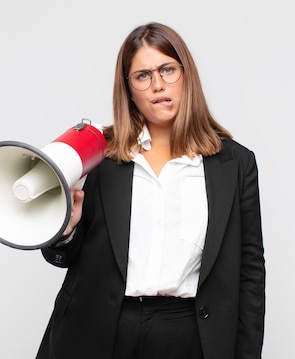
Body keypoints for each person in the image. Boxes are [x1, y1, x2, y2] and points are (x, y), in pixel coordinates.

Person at [36, 22, 265, 359]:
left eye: (167, 70)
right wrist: (64, 230)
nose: (158, 85)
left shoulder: (235, 163)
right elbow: (64, 256)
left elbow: (250, 272)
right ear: (129, 89)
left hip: (189, 334)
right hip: (99, 330)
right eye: (143, 76)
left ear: (186, 75)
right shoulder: (99, 153)